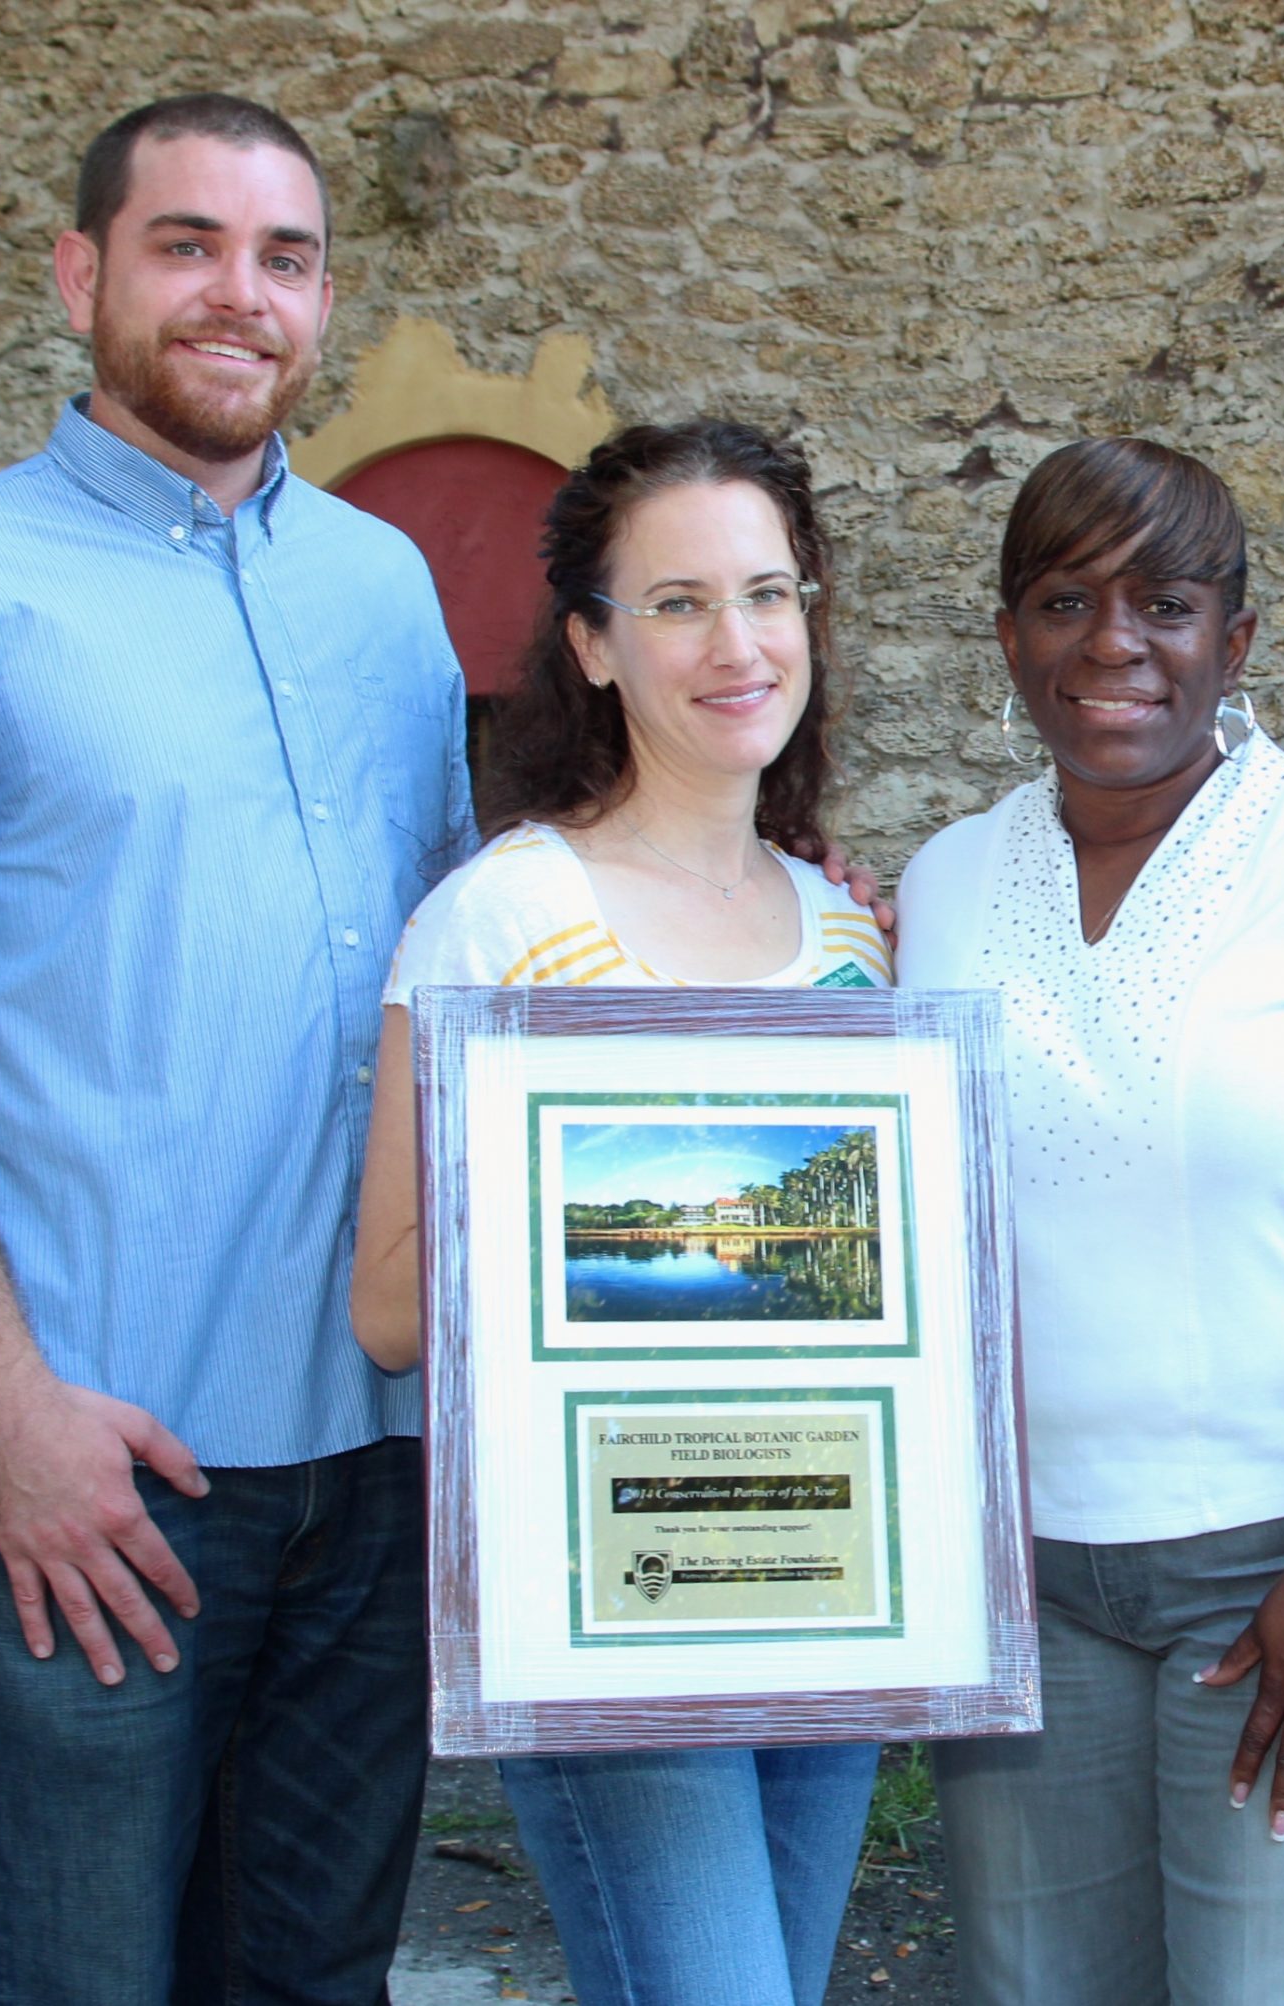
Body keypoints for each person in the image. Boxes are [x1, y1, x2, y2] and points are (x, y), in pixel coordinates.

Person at [0, 95, 472, 2000]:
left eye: (286, 256)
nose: (239, 296)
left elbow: (474, 962)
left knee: (314, 1982)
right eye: (188, 244)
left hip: (381, 1458)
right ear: (84, 274)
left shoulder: (387, 591)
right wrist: (3, 1407)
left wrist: (793, 942)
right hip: (95, 1468)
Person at [894, 437, 1284, 2004]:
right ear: (1007, 639)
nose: (1114, 643)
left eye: (1164, 603)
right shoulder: (949, 885)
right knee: (1040, 1987)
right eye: (1064, 600)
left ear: (1234, 642)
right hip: (1025, 1578)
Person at [349, 418, 889, 2006]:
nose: (738, 642)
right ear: (590, 644)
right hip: (612, 1588)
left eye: (770, 592)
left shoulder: (848, 932)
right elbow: (386, 1305)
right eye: (676, 603)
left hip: (830, 1574)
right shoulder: (506, 915)